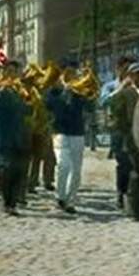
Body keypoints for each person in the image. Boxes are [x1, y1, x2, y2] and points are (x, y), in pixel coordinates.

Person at [45, 59, 93, 214]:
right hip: (60, 132)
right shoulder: (54, 91)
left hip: (77, 132)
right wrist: (65, 92)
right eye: (68, 73)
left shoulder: (80, 91)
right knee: (63, 165)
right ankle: (60, 196)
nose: (72, 76)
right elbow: (52, 107)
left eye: (74, 73)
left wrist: (87, 93)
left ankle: (70, 200)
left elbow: (90, 107)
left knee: (76, 170)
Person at [0, 61, 32, 216]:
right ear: (4, 73)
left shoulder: (19, 90)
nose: (12, 74)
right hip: (3, 136)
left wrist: (29, 100)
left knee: (18, 170)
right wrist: (0, 90)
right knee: (6, 169)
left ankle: (13, 203)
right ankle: (5, 202)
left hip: (19, 135)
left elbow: (28, 110)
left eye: (14, 71)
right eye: (9, 71)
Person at [112, 62, 139, 221]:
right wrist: (128, 134)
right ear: (130, 76)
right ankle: (132, 209)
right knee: (136, 173)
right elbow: (118, 118)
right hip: (133, 140)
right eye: (136, 74)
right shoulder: (125, 94)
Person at [103, 55, 136, 209]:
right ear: (118, 69)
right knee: (123, 162)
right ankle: (121, 193)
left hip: (135, 128)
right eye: (125, 69)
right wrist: (121, 88)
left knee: (135, 163)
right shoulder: (110, 86)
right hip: (118, 128)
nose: (129, 73)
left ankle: (132, 194)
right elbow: (103, 101)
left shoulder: (137, 86)